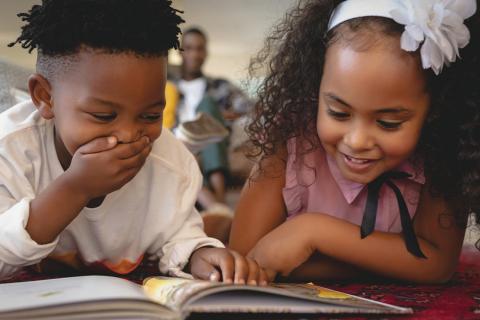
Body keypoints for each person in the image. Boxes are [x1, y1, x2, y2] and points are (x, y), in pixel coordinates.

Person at [0, 0, 269, 286]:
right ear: (45, 96)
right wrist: (75, 188)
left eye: (150, 115)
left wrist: (201, 255)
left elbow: (179, 240)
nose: (129, 134)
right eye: (104, 116)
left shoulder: (171, 164)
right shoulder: (10, 152)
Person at [229, 0, 480, 284]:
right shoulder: (288, 141)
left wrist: (313, 232)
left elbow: (437, 266)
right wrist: (392, 263)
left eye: (388, 123)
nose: (357, 141)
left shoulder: (443, 153)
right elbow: (245, 259)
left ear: (436, 109)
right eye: (338, 113)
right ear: (315, 87)